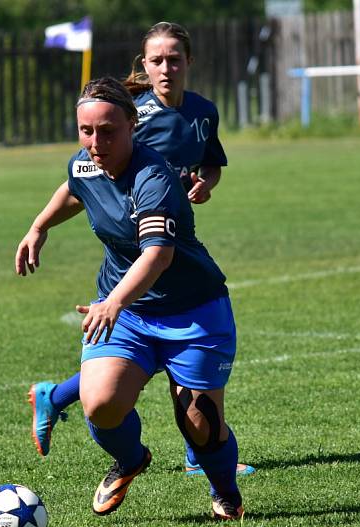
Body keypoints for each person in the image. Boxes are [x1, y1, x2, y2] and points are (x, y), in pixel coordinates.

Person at [27, 21, 254, 478]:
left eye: (174, 59)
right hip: (139, 248)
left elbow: (209, 163)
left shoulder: (203, 111)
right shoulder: (130, 118)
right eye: (157, 60)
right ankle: (185, 451)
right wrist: (39, 225)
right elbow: (85, 179)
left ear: (189, 62)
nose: (166, 68)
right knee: (131, 361)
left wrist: (204, 185)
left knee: (175, 349)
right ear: (144, 66)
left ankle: (199, 452)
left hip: (171, 239)